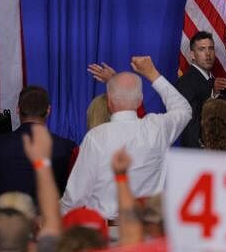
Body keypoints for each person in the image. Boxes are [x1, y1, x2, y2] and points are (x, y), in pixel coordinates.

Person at [60, 56, 191, 220]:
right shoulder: (157, 129)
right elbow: (184, 110)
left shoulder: (96, 137)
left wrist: (58, 217)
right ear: (140, 100)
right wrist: (151, 73)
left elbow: (76, 196)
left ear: (108, 101)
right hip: (146, 231)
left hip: (107, 234)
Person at [0, 85, 76, 199]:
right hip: (48, 215)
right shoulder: (67, 148)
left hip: (7, 215)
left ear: (18, 109)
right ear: (48, 110)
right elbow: (74, 194)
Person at [175, 31, 217, 148]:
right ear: (192, 55)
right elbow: (190, 128)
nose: (208, 54)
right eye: (202, 49)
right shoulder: (187, 83)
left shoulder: (213, 82)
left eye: (211, 48)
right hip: (198, 156)